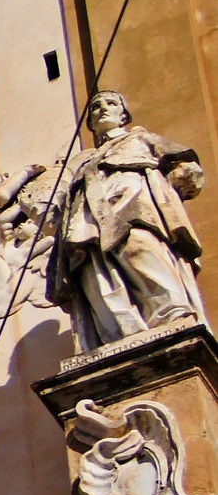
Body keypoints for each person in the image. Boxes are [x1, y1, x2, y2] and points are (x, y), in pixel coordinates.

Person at [47, 90, 206, 350]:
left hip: (134, 200)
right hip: (88, 217)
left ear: (123, 114)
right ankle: (117, 333)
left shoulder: (141, 138)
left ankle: (171, 313)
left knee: (138, 247)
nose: (102, 109)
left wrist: (182, 176)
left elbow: (186, 167)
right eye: (95, 107)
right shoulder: (83, 159)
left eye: (111, 104)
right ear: (89, 122)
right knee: (91, 271)